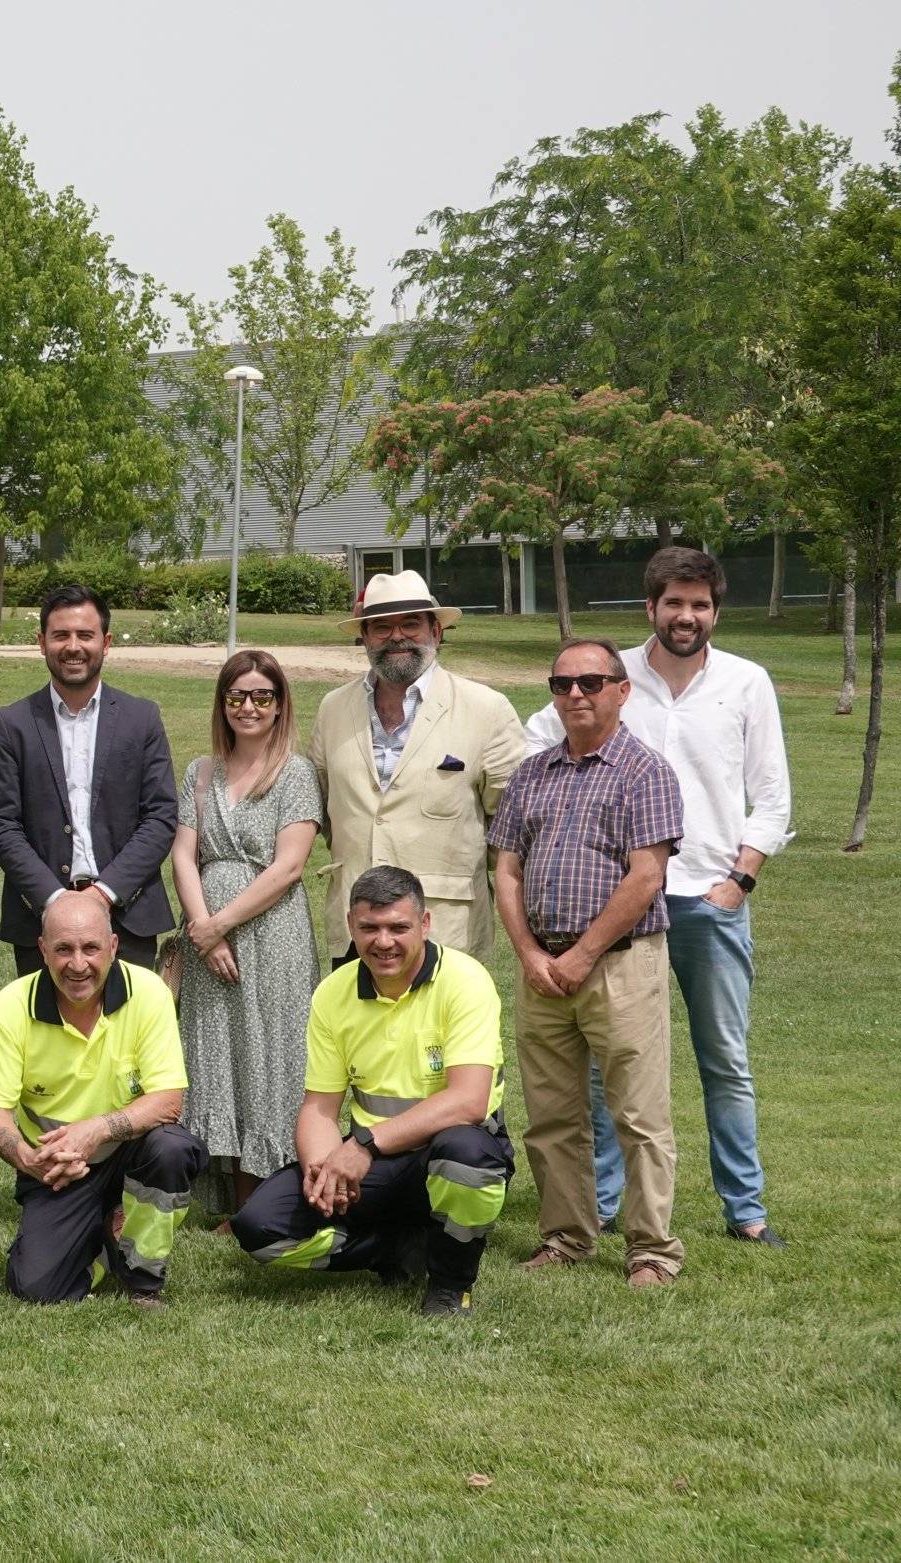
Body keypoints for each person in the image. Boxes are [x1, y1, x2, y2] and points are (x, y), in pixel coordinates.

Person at [518, 548, 792, 1248]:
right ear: (651, 608)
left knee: (723, 1057)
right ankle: (605, 1205)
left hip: (705, 897)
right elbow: (537, 742)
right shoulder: (608, 676)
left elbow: (772, 793)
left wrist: (741, 880)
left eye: (700, 604)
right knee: (611, 1070)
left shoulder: (744, 683)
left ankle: (746, 1206)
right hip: (616, 910)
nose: (687, 616)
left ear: (715, 612)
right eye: (674, 602)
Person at [228, 866, 515, 1318]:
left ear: (424, 924)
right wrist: (322, 1170)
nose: (384, 942)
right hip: (374, 1164)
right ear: (350, 926)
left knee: (467, 1157)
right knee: (258, 1228)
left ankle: (449, 1284)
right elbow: (320, 1108)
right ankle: (391, 1250)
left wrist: (362, 1146)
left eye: (399, 927)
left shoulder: (466, 980)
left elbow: (468, 1101)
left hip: (443, 1150)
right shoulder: (333, 993)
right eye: (370, 928)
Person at [492, 637, 687, 1288]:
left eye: (591, 682)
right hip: (540, 969)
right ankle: (566, 1237)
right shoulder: (533, 771)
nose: (575, 693)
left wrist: (581, 955)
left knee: (638, 1115)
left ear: (621, 690)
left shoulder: (645, 771)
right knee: (551, 1115)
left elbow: (645, 877)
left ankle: (651, 1251)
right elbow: (507, 869)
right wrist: (528, 953)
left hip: (620, 965)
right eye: (562, 684)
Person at [0, 890, 204, 1307]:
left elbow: (170, 1099)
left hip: (132, 1153)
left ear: (113, 947)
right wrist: (28, 1160)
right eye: (63, 949)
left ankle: (144, 1276)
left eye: (91, 948)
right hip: (56, 1168)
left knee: (173, 1148)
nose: (77, 964)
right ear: (43, 950)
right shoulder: (10, 1006)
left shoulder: (149, 993)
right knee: (36, 1288)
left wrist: (94, 1130)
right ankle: (106, 1245)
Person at [169, 649, 322, 1210]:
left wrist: (221, 925)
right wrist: (201, 928)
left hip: (271, 935)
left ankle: (271, 1193)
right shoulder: (200, 771)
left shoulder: (296, 773)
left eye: (263, 696)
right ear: (222, 703)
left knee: (269, 1051)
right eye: (237, 696)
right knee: (215, 1051)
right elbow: (184, 855)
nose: (250, 707)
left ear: (280, 705)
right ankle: (223, 1193)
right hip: (208, 937)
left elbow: (289, 867)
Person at [309, 571, 525, 955]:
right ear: (365, 637)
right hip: (357, 926)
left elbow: (511, 825)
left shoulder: (486, 709)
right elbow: (327, 811)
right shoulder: (332, 708)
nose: (396, 637)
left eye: (410, 624)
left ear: (436, 632)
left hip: (446, 929)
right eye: (381, 627)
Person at [0, 585, 178, 971]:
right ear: (41, 642)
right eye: (60, 635)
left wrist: (103, 895)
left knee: (130, 1031)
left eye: (85, 635)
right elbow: (2, 823)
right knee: (47, 1031)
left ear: (105, 643)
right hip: (41, 921)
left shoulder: (142, 719)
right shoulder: (14, 724)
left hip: (128, 916)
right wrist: (56, 900)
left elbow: (160, 816)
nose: (73, 646)